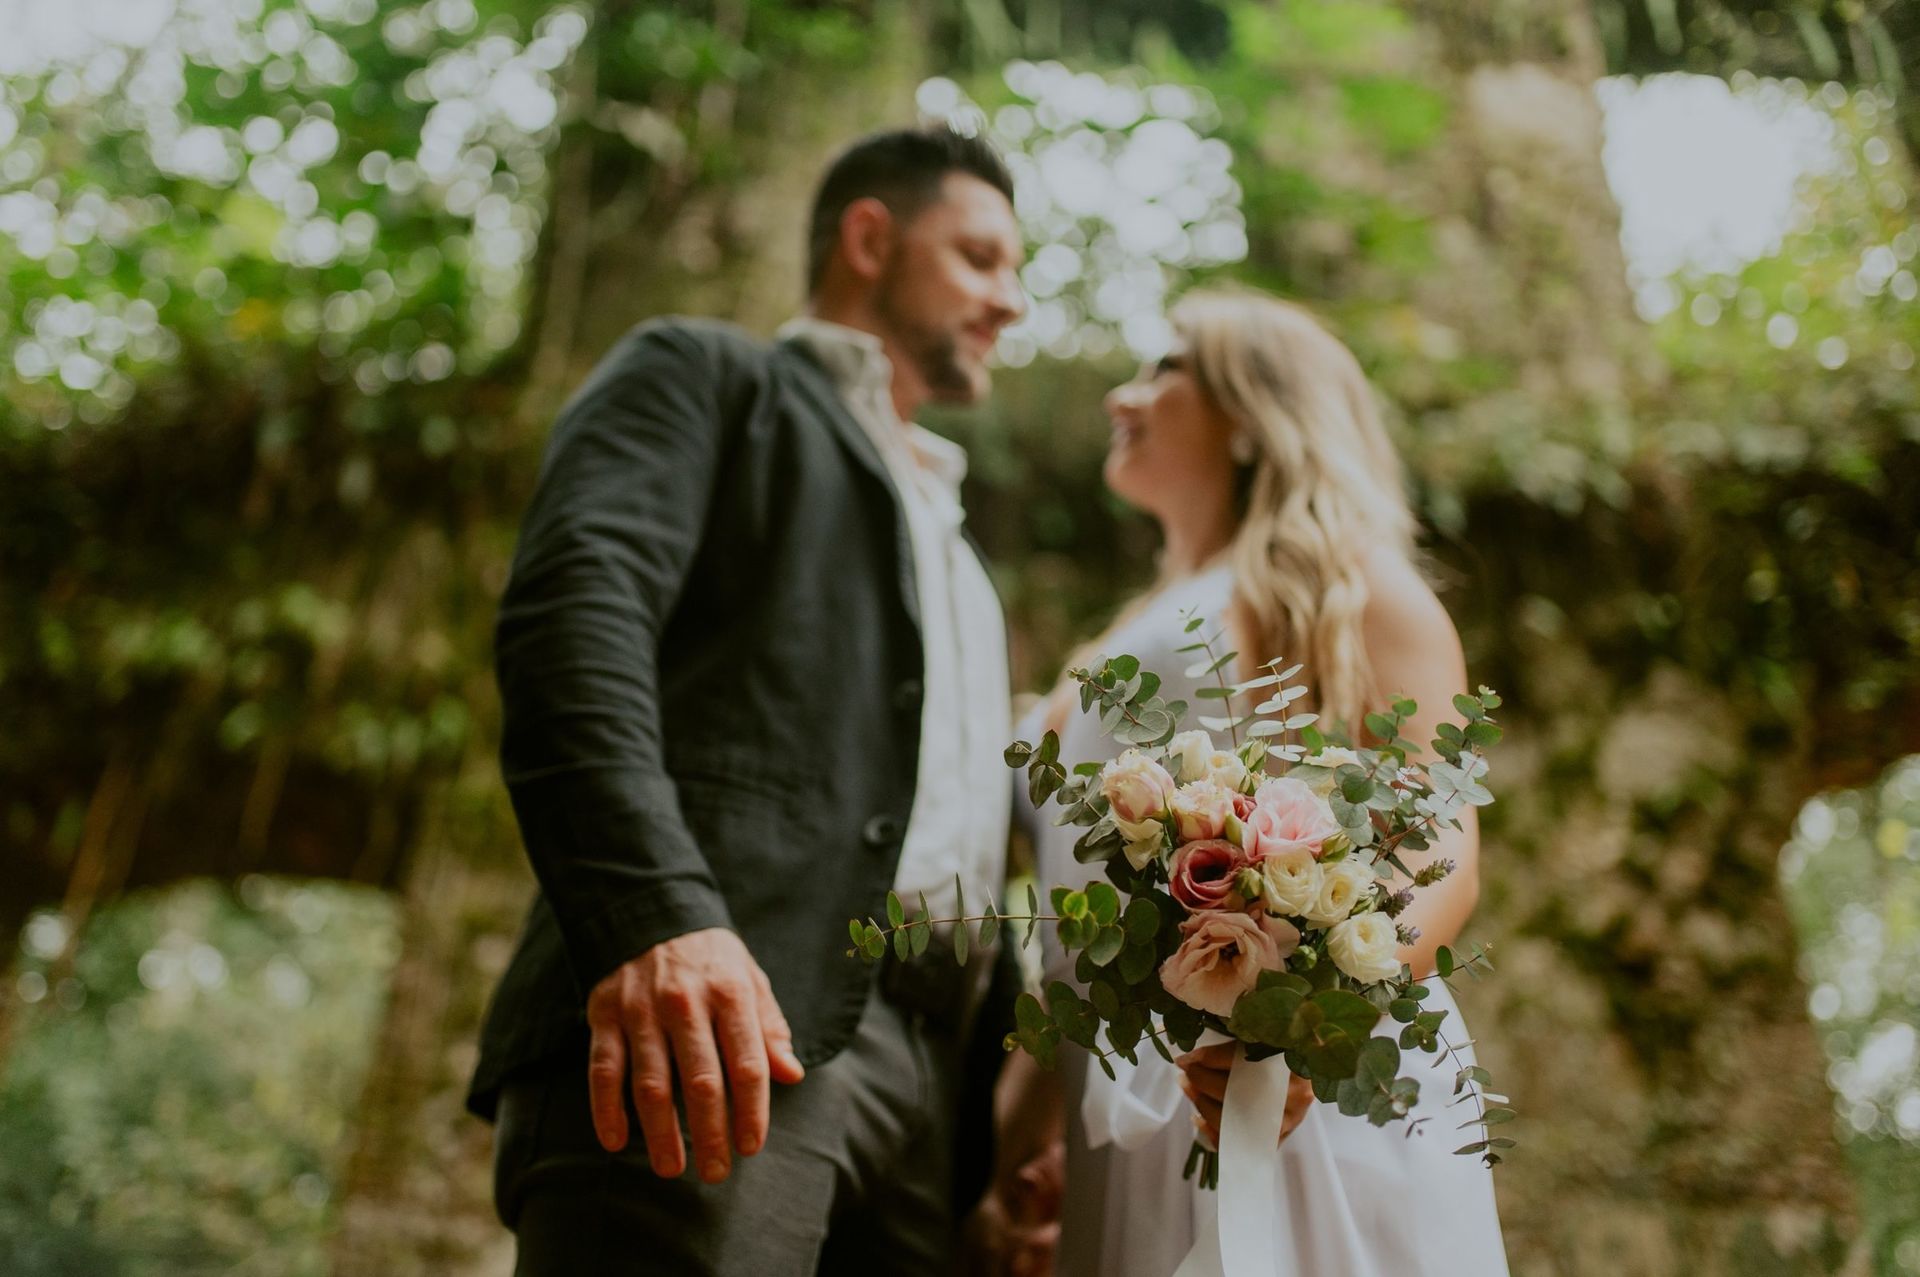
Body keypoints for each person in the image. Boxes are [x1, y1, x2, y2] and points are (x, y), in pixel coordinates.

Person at [468, 124, 1029, 1275]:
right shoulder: (706, 379)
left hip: (940, 1084)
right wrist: (656, 914)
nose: (1008, 301)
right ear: (870, 236)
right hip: (718, 1019)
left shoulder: (960, 547)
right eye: (980, 258)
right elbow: (574, 619)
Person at [982, 287, 1510, 1276]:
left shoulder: (1336, 579)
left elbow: (1441, 847)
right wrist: (1010, 1161)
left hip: (1301, 1096)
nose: (1120, 394)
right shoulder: (1109, 645)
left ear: (1251, 414)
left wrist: (1303, 1033)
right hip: (1129, 1131)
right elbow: (1074, 959)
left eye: (1165, 366)